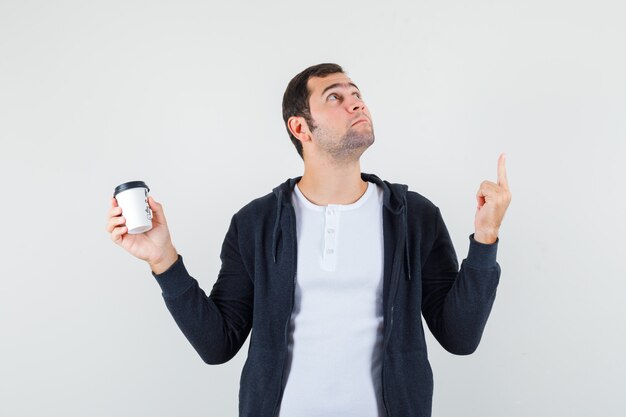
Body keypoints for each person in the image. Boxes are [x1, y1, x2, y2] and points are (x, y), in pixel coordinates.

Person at [106, 63, 512, 417]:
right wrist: (163, 258)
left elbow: (460, 337)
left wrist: (485, 238)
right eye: (335, 97)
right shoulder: (256, 223)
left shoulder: (413, 217)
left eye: (357, 95)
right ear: (300, 127)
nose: (356, 103)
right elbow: (218, 344)